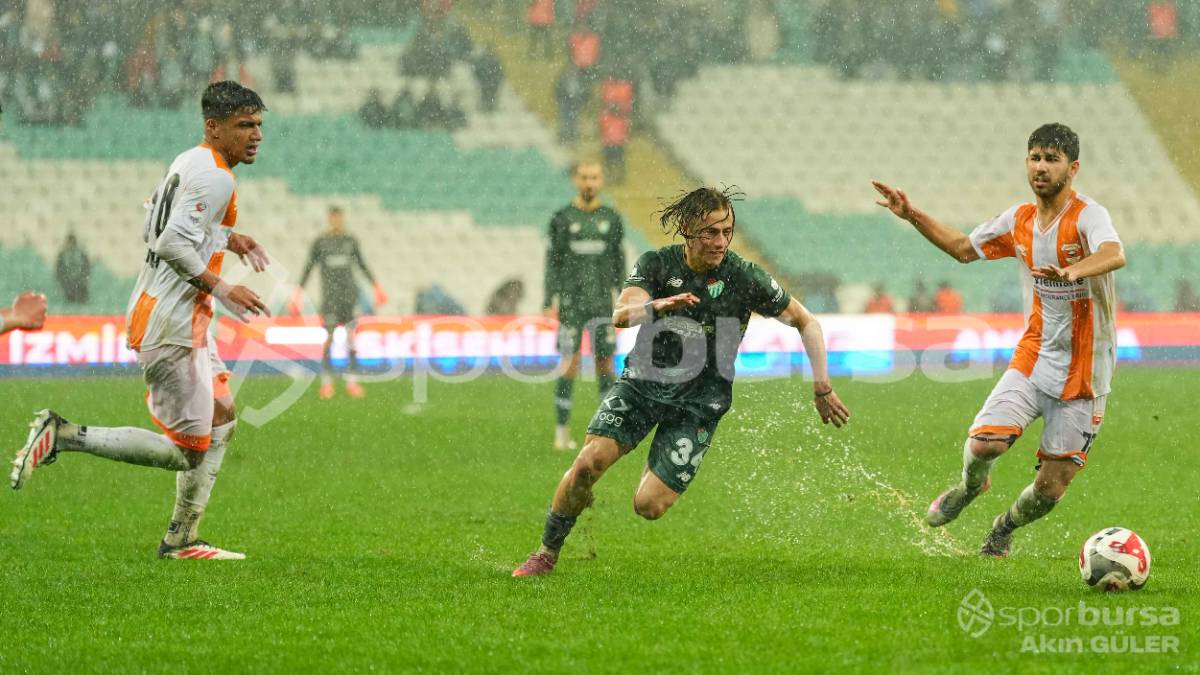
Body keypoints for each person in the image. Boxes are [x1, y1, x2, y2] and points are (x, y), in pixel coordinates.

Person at [514, 187, 851, 577]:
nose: (720, 241)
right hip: (642, 385)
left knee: (649, 506)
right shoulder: (658, 264)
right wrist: (657, 306)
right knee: (588, 464)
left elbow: (806, 321)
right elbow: (621, 314)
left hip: (700, 402)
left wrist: (822, 385)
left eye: (726, 231)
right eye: (710, 232)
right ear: (687, 229)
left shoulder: (744, 276)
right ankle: (546, 554)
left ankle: (652, 461)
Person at [10, 81, 272, 561]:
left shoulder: (190, 160)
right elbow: (170, 242)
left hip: (178, 313)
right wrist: (224, 286)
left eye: (258, 125)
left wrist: (229, 239)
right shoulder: (218, 178)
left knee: (223, 419)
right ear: (213, 127)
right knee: (188, 451)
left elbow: (154, 220)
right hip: (172, 322)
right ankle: (64, 435)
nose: (255, 135)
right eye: (244, 126)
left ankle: (181, 539)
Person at [872, 123, 1125, 558]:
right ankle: (972, 486)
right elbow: (962, 248)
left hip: (1087, 373)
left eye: (1052, 159)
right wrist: (911, 214)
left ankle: (1003, 527)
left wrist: (1075, 270)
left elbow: (1113, 252)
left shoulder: (1088, 216)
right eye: (1035, 157)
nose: (1041, 167)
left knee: (1050, 487)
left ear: (1073, 167)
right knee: (984, 443)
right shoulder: (1019, 221)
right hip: (1035, 356)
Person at [543, 161, 626, 450]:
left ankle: (603, 433)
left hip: (603, 302)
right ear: (576, 180)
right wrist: (548, 297)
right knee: (570, 363)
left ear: (601, 181)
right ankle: (561, 431)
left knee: (605, 364)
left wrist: (624, 294)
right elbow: (552, 261)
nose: (589, 182)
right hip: (571, 302)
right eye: (585, 177)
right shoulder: (563, 218)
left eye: (594, 177)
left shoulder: (611, 218)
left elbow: (618, 260)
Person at [292, 206, 387, 400]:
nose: (337, 221)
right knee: (329, 339)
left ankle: (352, 381)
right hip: (330, 298)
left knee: (352, 339)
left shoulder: (350, 241)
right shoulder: (321, 242)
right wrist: (298, 293)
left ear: (342, 219)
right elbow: (308, 268)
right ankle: (327, 383)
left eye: (339, 218)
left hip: (349, 297)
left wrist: (376, 286)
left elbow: (362, 264)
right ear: (329, 219)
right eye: (334, 218)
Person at [55, 234, 91, 304]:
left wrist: (83, 279)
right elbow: (59, 270)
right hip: (68, 283)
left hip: (78, 283)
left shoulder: (80, 254)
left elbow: (86, 267)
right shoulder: (63, 254)